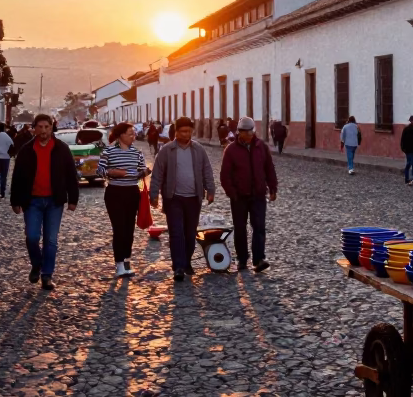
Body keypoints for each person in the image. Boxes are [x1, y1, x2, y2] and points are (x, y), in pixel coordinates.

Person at [10, 114, 79, 291]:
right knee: (32, 237)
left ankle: (47, 275)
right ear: (34, 128)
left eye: (46, 127)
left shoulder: (61, 149)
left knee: (51, 240)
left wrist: (73, 199)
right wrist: (15, 200)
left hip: (54, 201)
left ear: (51, 127)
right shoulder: (26, 150)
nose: (43, 130)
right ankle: (36, 264)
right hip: (32, 200)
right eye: (39, 127)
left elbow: (71, 174)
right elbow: (17, 177)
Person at [150, 117, 215, 281]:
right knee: (176, 233)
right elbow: (157, 174)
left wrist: (210, 189)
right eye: (183, 131)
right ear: (176, 132)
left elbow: (207, 170)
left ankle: (187, 262)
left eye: (189, 131)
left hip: (194, 198)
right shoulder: (166, 151)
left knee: (190, 233)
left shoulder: (198, 150)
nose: (186, 134)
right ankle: (178, 266)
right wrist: (154, 194)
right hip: (174, 199)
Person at [220, 116, 277, 272]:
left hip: (258, 194)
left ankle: (259, 259)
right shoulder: (231, 150)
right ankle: (242, 259)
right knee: (240, 228)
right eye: (246, 132)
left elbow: (269, 169)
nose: (250, 134)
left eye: (252, 131)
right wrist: (232, 193)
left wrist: (273, 188)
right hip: (239, 197)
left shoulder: (261, 147)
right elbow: (225, 175)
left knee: (259, 227)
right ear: (240, 132)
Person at [96, 122, 148, 278]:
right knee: (119, 229)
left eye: (134, 134)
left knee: (129, 229)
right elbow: (100, 171)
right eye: (130, 134)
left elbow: (141, 171)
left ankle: (127, 261)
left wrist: (143, 172)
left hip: (132, 192)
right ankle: (118, 263)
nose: (133, 136)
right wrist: (113, 172)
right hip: (115, 193)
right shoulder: (109, 151)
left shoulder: (137, 152)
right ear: (120, 136)